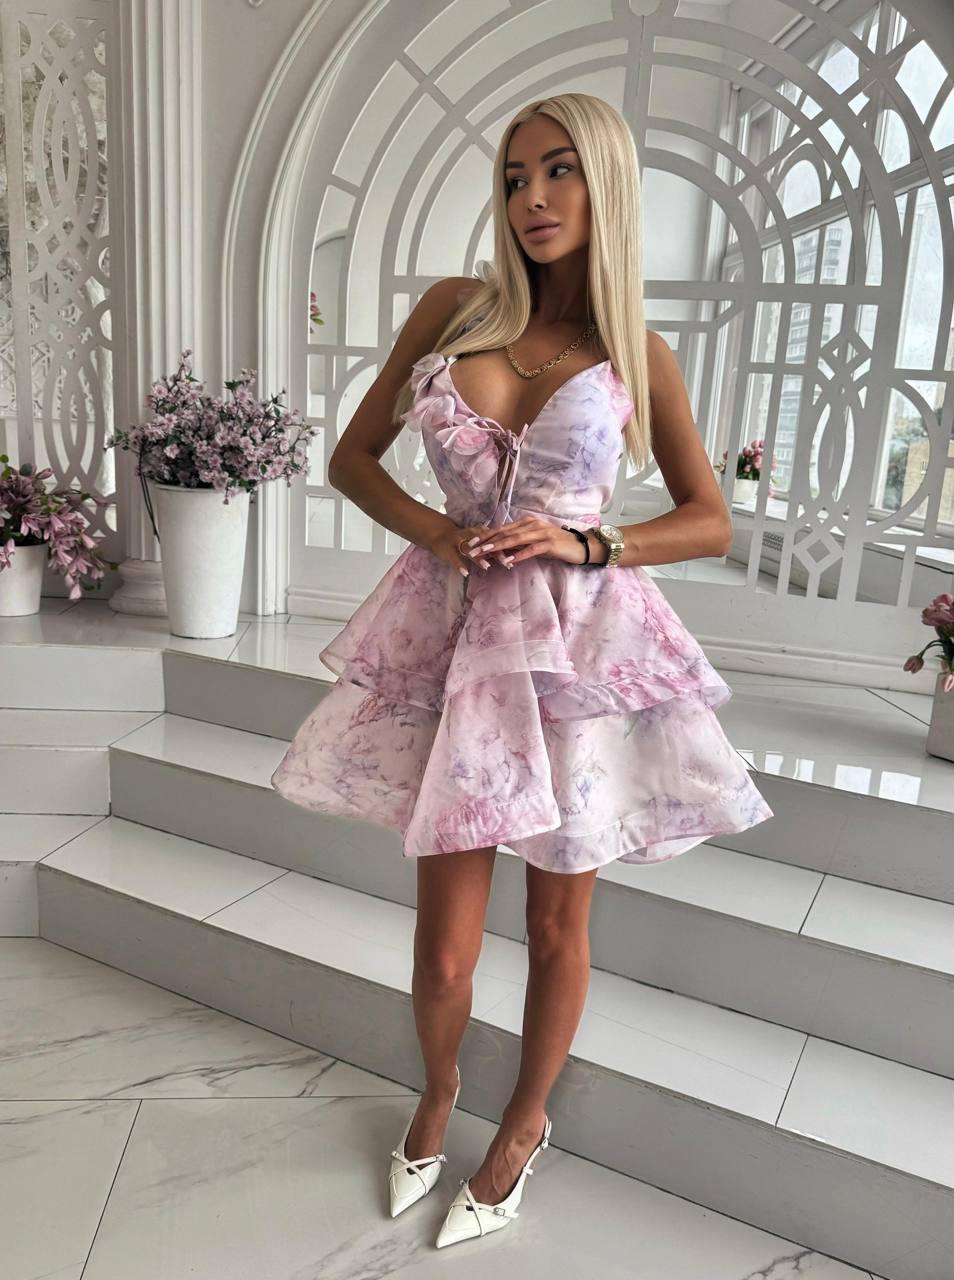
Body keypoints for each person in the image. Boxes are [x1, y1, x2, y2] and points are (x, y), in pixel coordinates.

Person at [271, 91, 774, 1248]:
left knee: (556, 923)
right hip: (456, 641)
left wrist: (591, 541)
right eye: (513, 178)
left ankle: (524, 1122)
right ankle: (440, 1088)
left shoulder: (638, 354)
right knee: (445, 947)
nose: (532, 198)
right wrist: (439, 531)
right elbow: (354, 458)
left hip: (577, 652)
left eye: (558, 171)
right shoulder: (454, 310)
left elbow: (709, 517)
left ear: (604, 184)